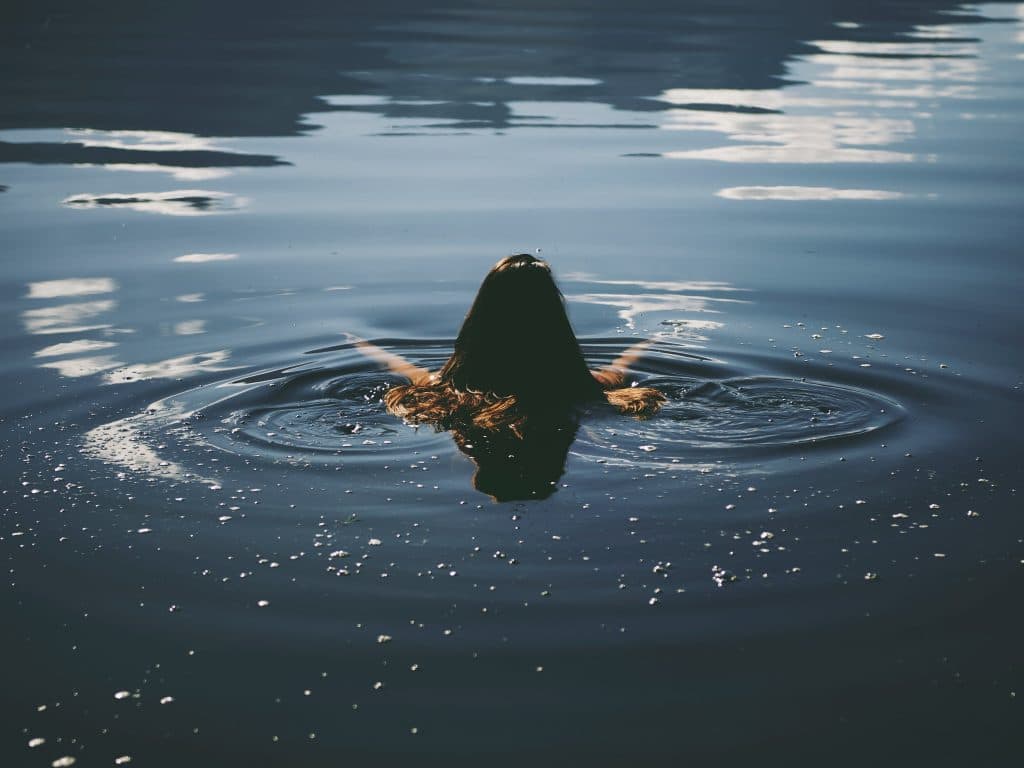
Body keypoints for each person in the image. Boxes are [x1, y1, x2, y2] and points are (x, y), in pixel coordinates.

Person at [355, 253, 665, 439]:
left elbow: (400, 366)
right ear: (555, 326)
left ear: (478, 321)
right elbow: (624, 365)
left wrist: (357, 342)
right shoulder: (586, 389)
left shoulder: (445, 389)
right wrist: (656, 337)